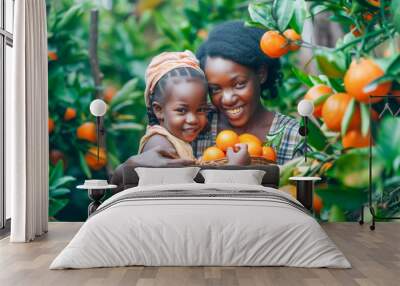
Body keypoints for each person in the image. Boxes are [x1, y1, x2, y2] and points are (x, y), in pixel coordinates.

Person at [111, 21, 301, 187]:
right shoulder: (196, 123)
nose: (227, 99)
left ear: (261, 73)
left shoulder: (293, 135)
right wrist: (132, 165)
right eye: (215, 89)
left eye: (239, 84)